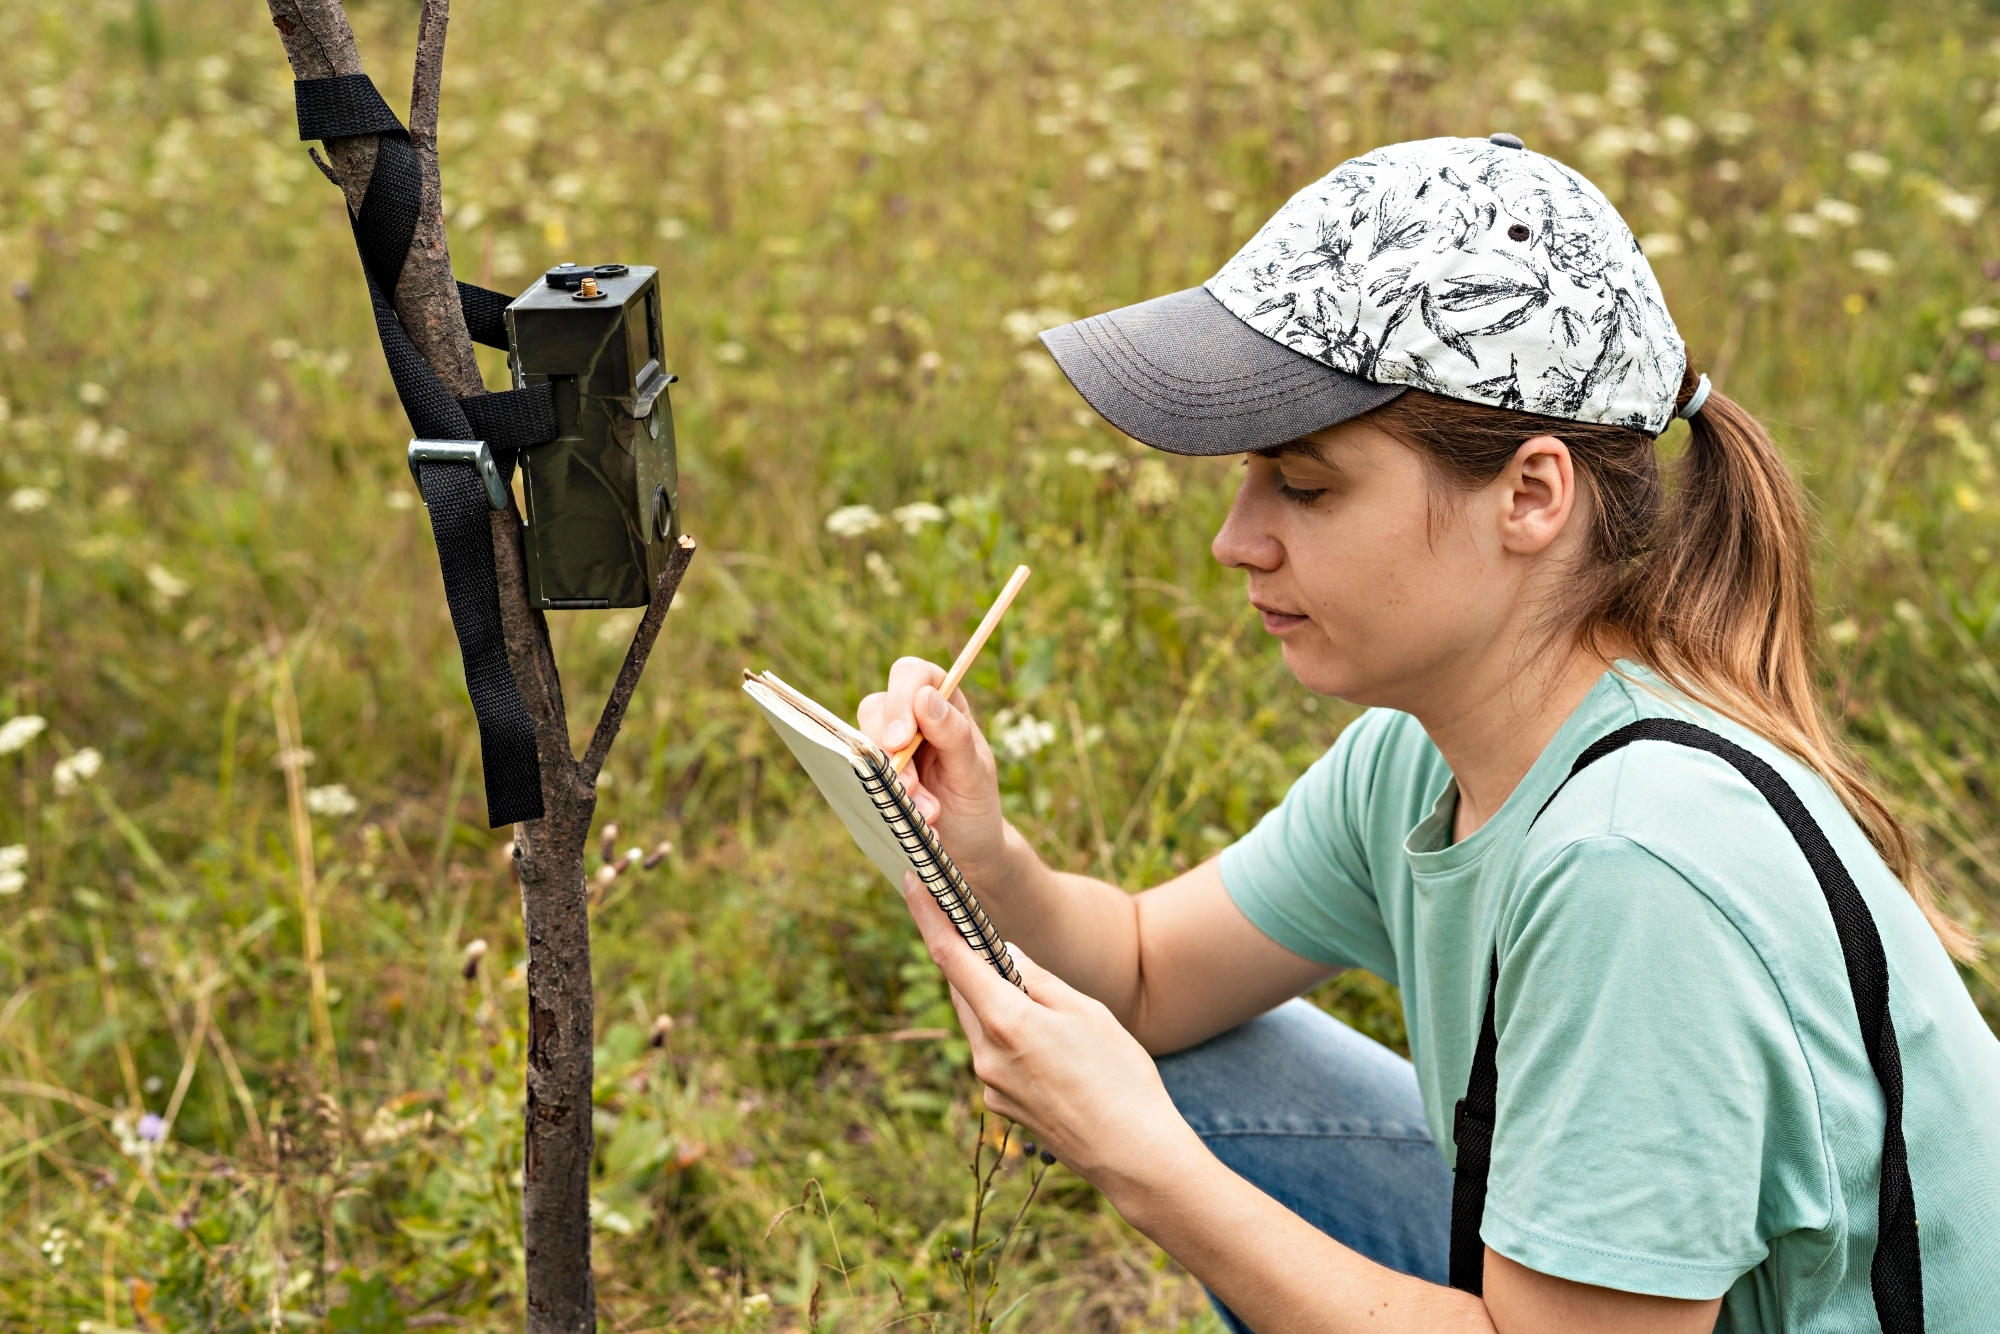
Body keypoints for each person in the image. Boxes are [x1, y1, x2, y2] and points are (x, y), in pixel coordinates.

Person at [856, 136, 2000, 1334]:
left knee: (1159, 1115)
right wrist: (978, 852)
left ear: (1529, 494)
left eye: (1303, 486)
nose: (1235, 539)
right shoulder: (1431, 751)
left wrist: (1148, 1168)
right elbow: (1141, 974)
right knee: (1180, 1067)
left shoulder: (1632, 863)